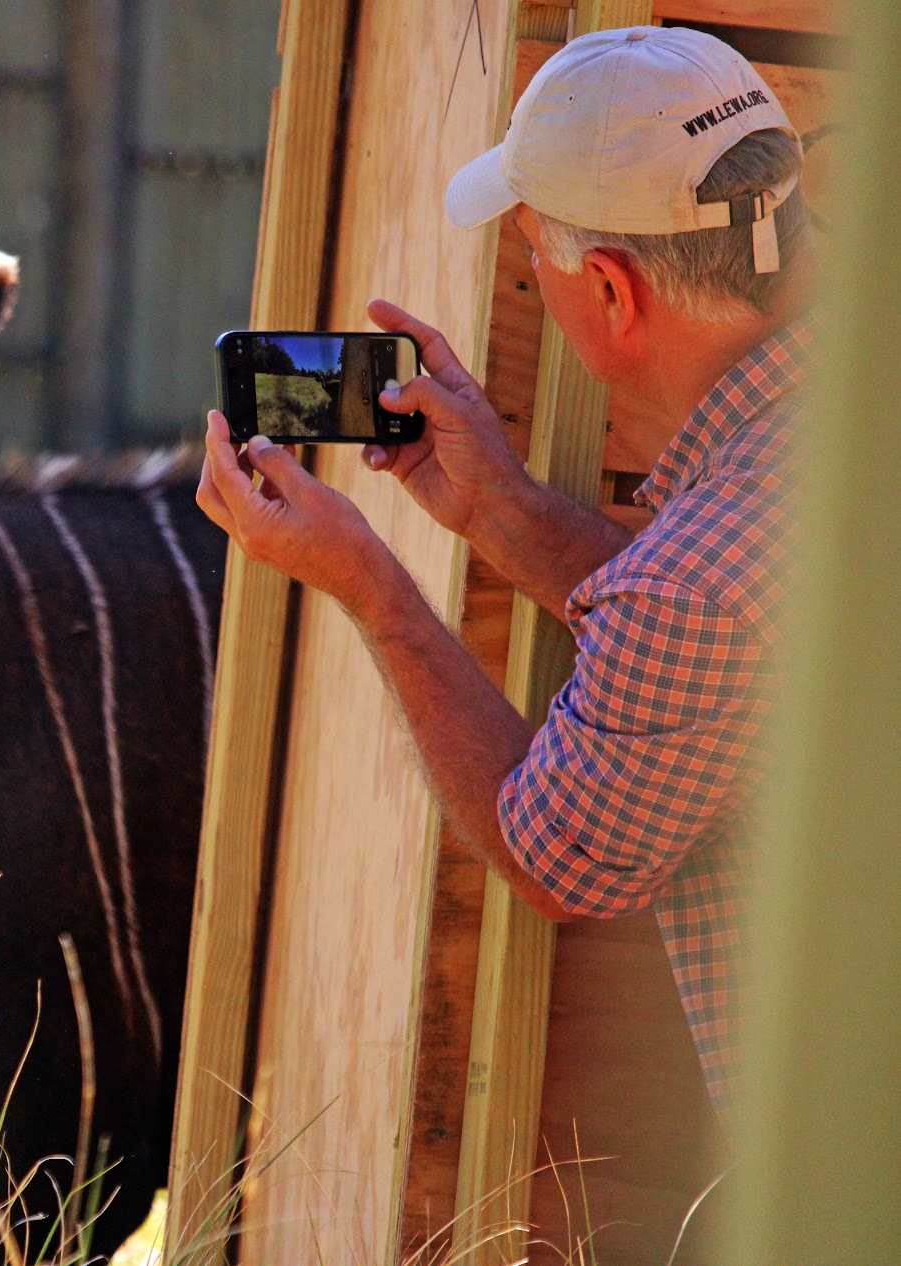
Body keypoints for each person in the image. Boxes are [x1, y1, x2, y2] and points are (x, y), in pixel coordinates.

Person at [196, 25, 811, 1121]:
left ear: (613, 292)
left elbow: (557, 853)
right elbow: (733, 640)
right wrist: (498, 510)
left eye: (535, 258)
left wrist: (366, 582)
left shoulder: (701, 581)